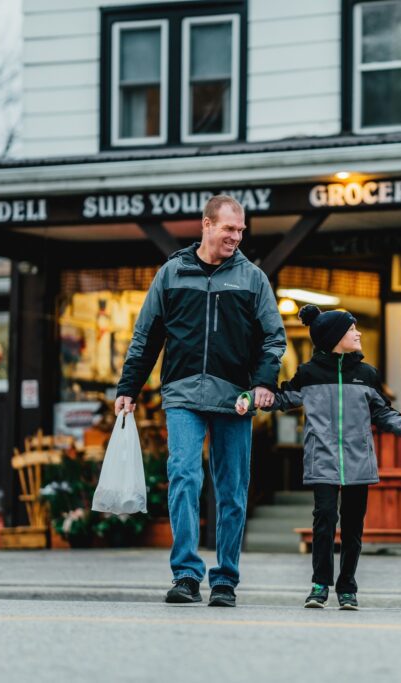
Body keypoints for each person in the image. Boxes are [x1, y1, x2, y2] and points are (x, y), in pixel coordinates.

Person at [115, 194, 285, 608]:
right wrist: (128, 388)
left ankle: (225, 578)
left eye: (241, 230)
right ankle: (187, 574)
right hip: (183, 394)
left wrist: (263, 382)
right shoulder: (172, 273)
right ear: (206, 225)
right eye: (229, 228)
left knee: (232, 489)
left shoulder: (252, 279)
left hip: (235, 397)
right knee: (184, 476)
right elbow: (147, 335)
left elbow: (273, 339)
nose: (236, 237)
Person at [237, 304, 401, 610]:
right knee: (324, 522)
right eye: (352, 329)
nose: (358, 333)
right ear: (335, 337)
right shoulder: (309, 374)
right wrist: (250, 399)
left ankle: (347, 587)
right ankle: (320, 585)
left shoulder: (366, 374)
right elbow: (281, 398)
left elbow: (385, 414)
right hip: (321, 460)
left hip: (358, 462)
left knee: (353, 527)